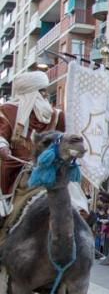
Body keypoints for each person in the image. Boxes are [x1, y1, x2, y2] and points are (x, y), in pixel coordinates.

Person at [0, 71, 72, 212]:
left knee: (72, 187)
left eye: (45, 91)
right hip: (16, 163)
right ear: (30, 91)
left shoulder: (57, 115)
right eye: (42, 91)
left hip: (49, 166)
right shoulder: (8, 111)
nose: (45, 95)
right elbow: (2, 135)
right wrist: (3, 146)